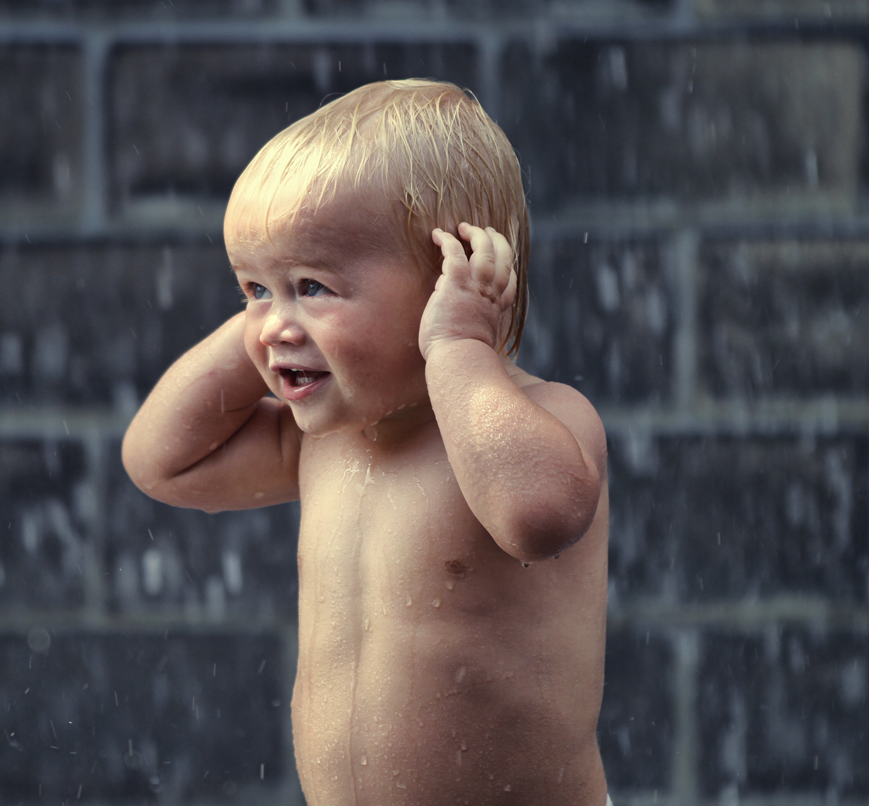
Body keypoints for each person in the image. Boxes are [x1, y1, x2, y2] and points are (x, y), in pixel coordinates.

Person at [121, 79, 610, 806]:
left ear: (449, 277)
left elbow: (535, 520)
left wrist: (457, 346)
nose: (275, 324)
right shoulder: (325, 442)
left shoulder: (541, 416)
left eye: (315, 286)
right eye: (251, 289)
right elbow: (161, 461)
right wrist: (271, 315)